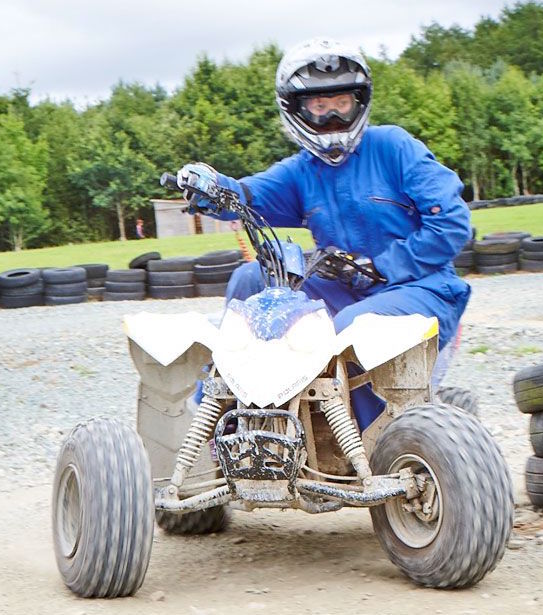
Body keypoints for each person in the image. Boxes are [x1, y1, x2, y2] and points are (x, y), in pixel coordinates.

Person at [175, 38, 472, 427]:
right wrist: (211, 187)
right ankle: (222, 416)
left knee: (354, 327)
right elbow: (248, 194)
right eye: (319, 105)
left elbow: (452, 223)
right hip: (341, 286)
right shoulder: (301, 171)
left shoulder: (395, 147)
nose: (332, 115)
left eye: (342, 103)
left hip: (422, 288)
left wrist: (382, 266)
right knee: (251, 277)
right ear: (296, 109)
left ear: (359, 102)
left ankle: (365, 443)